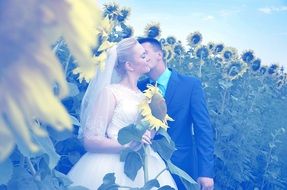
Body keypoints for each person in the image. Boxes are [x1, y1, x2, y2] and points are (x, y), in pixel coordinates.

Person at [68, 38, 177, 189]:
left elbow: (148, 127)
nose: (147, 59)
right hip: (111, 163)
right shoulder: (111, 93)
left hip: (144, 162)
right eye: (142, 56)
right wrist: (127, 145)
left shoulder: (146, 96)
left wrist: (147, 134)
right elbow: (90, 140)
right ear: (129, 65)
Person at [137, 37, 215, 190]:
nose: (142, 58)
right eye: (139, 55)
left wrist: (206, 172)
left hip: (180, 164)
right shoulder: (137, 87)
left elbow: (203, 129)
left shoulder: (190, 85)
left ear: (159, 55)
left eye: (145, 53)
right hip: (144, 164)